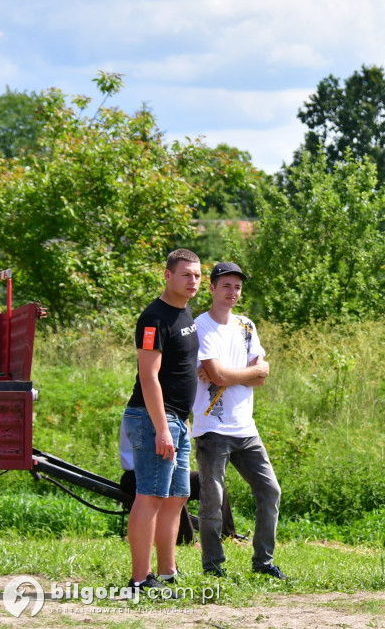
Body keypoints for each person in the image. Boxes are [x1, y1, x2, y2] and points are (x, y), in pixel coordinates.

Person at [191, 262, 286, 580]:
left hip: (245, 427)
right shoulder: (201, 325)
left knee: (270, 491)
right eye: (226, 286)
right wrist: (245, 373)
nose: (233, 292)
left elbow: (260, 378)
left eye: (237, 287)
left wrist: (228, 375)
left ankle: (263, 562)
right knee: (212, 501)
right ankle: (214, 567)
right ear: (212, 288)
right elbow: (222, 374)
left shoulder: (246, 326)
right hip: (212, 428)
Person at [122, 248, 201, 592]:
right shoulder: (154, 318)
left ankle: (168, 572)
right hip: (156, 419)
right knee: (150, 496)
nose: (193, 281)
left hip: (178, 421)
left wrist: (182, 423)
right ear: (167, 276)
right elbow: (148, 377)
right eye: (186, 275)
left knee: (176, 497)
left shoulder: (185, 313)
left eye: (197, 275)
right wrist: (161, 428)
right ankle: (140, 579)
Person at [119, 419, 238, 545]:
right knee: (173, 485)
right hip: (136, 476)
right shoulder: (144, 414)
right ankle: (188, 541)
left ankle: (228, 536)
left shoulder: (171, 413)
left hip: (165, 472)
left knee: (209, 480)